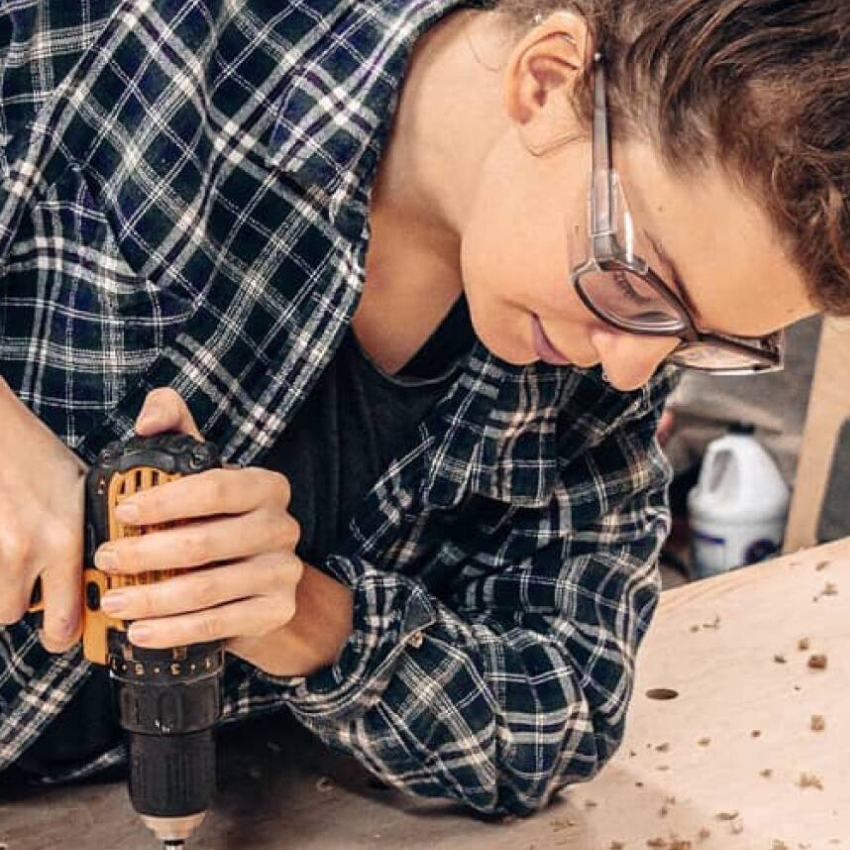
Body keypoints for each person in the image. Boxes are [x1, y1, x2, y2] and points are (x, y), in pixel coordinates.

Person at [0, 0, 844, 816]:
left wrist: (303, 615)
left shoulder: (602, 344)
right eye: (638, 282)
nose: (630, 371)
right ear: (546, 82)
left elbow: (566, 705)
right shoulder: (137, 36)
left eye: (701, 338)